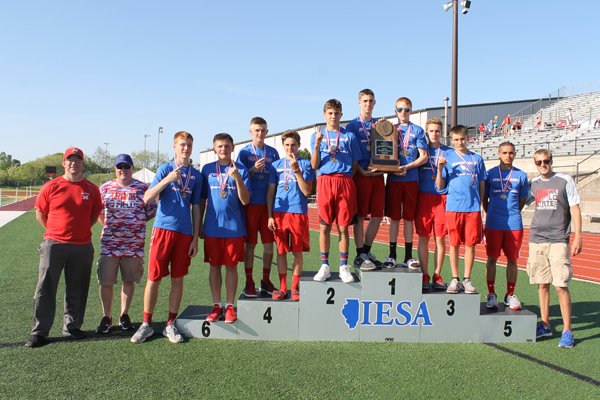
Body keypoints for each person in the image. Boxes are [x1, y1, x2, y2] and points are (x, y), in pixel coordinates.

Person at [26, 147, 102, 348]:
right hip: (54, 245)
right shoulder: (51, 186)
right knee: (45, 288)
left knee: (77, 288)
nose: (74, 163)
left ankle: (72, 326)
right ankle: (39, 331)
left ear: (83, 164)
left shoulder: (92, 189)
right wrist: (55, 232)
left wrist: (78, 231)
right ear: (64, 163)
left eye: (78, 160)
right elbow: (41, 214)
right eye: (70, 160)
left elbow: (94, 216)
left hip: (82, 246)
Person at [131, 131, 202, 344]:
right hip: (163, 229)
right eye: (182, 144)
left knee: (177, 279)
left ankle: (170, 324)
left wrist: (195, 238)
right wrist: (167, 180)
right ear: (174, 146)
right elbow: (147, 197)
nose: (185, 148)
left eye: (189, 145)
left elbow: (197, 208)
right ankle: (147, 324)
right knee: (154, 277)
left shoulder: (197, 176)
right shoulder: (165, 168)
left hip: (185, 232)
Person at [95, 154, 157, 334]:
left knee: (128, 280)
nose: (123, 170)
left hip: (133, 244)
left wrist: (134, 223)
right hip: (109, 243)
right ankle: (106, 317)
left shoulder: (143, 188)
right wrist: (111, 226)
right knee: (106, 281)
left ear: (132, 167)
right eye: (119, 166)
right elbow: (99, 212)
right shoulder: (105, 188)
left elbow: (151, 211)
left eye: (126, 166)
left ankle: (124, 314)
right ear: (115, 168)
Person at [529, 149, 582, 349]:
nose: (543, 165)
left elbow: (575, 207)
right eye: (539, 162)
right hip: (537, 239)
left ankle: (567, 330)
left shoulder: (565, 180)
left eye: (546, 161)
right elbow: (519, 203)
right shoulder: (533, 183)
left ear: (551, 161)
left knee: (560, 286)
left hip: (559, 239)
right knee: (542, 284)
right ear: (535, 163)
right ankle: (545, 325)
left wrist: (578, 236)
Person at [201, 133, 251, 323]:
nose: (223, 149)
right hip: (213, 228)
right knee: (214, 267)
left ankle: (230, 306)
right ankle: (217, 305)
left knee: (231, 267)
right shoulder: (206, 170)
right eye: (220, 146)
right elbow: (201, 200)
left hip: (234, 228)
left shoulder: (242, 170)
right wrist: (199, 225)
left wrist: (238, 179)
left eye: (227, 146)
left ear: (232, 148)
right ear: (214, 149)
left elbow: (245, 201)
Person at [311, 99, 361, 283]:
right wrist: (317, 145)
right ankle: (324, 265)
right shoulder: (318, 135)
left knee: (343, 226)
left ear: (341, 115)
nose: (333, 116)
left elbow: (355, 164)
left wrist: (344, 177)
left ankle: (343, 266)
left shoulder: (349, 136)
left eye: (336, 113)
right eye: (330, 113)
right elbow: (315, 165)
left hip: (344, 181)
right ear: (324, 115)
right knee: (324, 226)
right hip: (324, 182)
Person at [437, 125, 487, 294]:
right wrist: (440, 168)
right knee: (454, 244)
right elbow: (440, 186)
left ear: (468, 138)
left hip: (472, 208)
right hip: (453, 207)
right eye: (456, 140)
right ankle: (455, 278)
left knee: (470, 244)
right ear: (451, 140)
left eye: (463, 139)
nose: (460, 142)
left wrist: (479, 202)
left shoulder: (477, 159)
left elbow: (481, 183)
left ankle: (467, 278)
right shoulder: (447, 157)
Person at [267, 130, 314, 301]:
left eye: (293, 144)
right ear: (283, 146)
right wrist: (270, 215)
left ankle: (294, 287)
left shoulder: (306, 164)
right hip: (279, 213)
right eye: (287, 145)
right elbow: (271, 192)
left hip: (298, 213)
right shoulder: (275, 165)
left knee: (297, 252)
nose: (290, 148)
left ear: (299, 145)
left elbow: (307, 191)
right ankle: (283, 287)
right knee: (281, 251)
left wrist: (296, 171)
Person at [482, 142, 528, 310]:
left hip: (514, 224)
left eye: (511, 153)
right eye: (505, 153)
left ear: (515, 154)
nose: (508, 156)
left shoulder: (521, 176)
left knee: (512, 260)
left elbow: (522, 201)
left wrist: (512, 212)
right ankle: (491, 293)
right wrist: (492, 213)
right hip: (494, 223)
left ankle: (510, 294)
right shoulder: (490, 174)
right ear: (498, 154)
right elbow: (484, 199)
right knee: (491, 259)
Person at [236, 117, 280, 297]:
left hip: (268, 205)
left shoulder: (273, 152)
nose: (260, 133)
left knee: (269, 245)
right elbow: (238, 177)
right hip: (251, 205)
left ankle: (266, 280)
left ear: (267, 131)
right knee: (250, 245)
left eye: (263, 130)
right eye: (256, 130)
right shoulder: (244, 153)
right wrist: (253, 169)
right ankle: (249, 281)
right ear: (250, 132)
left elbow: (277, 179)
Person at [383, 97, 428, 269]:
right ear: (395, 111)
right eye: (400, 109)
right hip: (394, 179)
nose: (403, 112)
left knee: (409, 219)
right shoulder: (388, 129)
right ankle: (392, 255)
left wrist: (408, 167)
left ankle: (408, 256)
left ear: (411, 110)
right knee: (394, 218)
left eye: (407, 109)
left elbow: (424, 157)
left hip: (411, 180)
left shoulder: (417, 130)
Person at [344, 89, 384, 271]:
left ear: (375, 103)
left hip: (378, 174)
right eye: (365, 101)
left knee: (377, 215)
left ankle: (367, 251)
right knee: (360, 216)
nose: (368, 104)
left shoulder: (381, 124)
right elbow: (351, 154)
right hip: (361, 174)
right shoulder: (352, 126)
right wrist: (361, 170)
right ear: (359, 102)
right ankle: (359, 253)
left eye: (371, 101)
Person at [415, 118, 450, 290]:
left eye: (437, 131)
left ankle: (437, 274)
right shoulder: (421, 151)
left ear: (442, 132)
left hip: (441, 199)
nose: (434, 134)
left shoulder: (448, 152)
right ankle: (424, 274)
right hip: (423, 197)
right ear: (426, 132)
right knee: (423, 238)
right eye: (431, 131)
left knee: (440, 239)